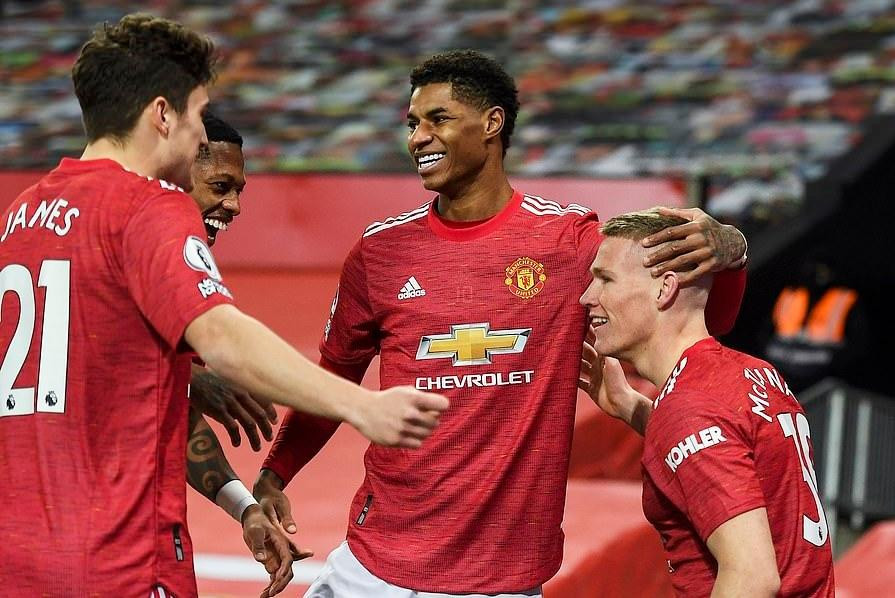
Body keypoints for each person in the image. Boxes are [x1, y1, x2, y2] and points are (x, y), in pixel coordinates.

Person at [254, 49, 748, 597]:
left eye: (438, 119)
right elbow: (333, 378)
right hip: (373, 565)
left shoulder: (569, 243)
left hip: (499, 580)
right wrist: (276, 473)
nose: (418, 138)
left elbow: (710, 319)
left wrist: (731, 248)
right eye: (412, 123)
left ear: (492, 123)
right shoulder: (380, 252)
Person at [0, 14, 447, 598]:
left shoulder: (23, 216)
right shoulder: (149, 206)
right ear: (163, 115)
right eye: (196, 115)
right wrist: (361, 405)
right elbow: (223, 335)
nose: (197, 139)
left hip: (20, 557)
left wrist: (188, 392)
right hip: (119, 559)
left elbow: (83, 369)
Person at [578, 209, 835, 596]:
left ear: (665, 289)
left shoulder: (689, 408)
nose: (587, 297)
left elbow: (752, 577)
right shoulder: (754, 372)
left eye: (605, 280)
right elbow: (725, 447)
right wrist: (633, 408)